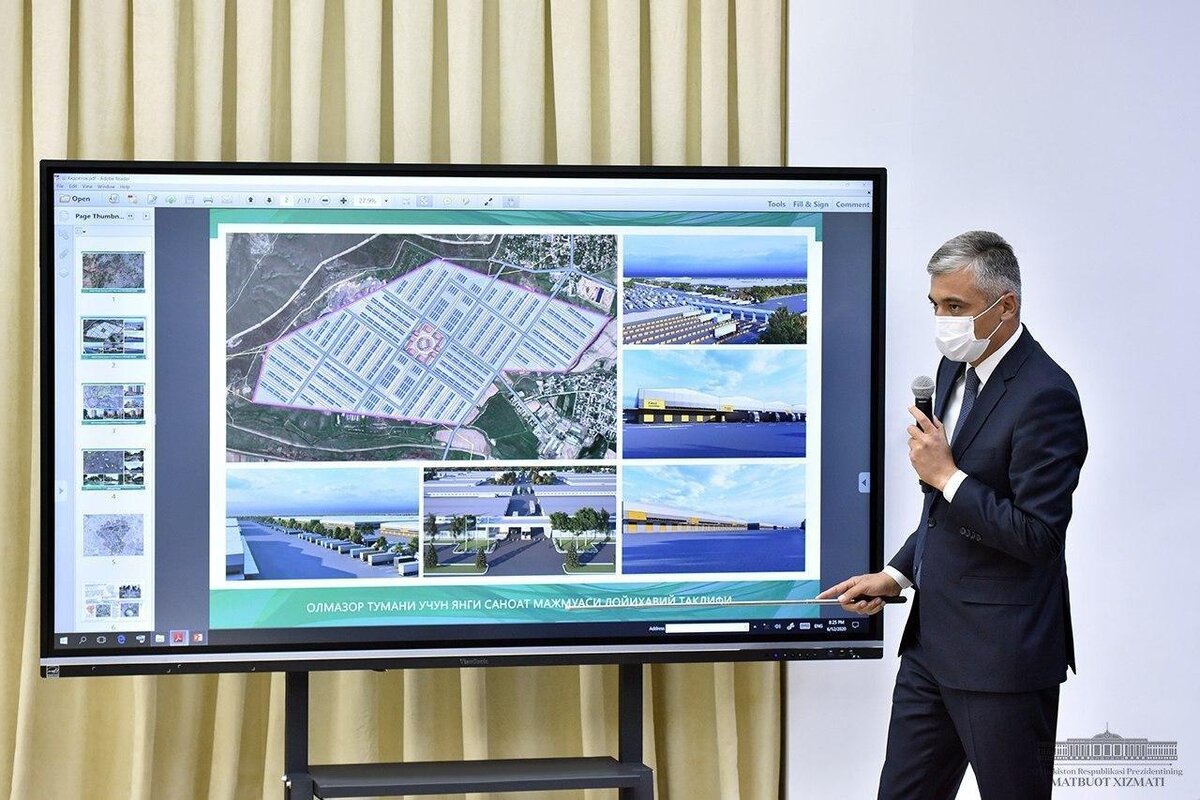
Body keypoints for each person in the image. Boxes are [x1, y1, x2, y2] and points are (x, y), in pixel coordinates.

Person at [817, 231, 1088, 799]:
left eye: (956, 307)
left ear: (1005, 306)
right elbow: (942, 514)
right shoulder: (951, 370)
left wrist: (946, 475)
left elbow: (1038, 535)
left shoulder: (1047, 395)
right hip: (930, 649)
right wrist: (896, 575)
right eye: (936, 305)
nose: (943, 321)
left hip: (1003, 659)